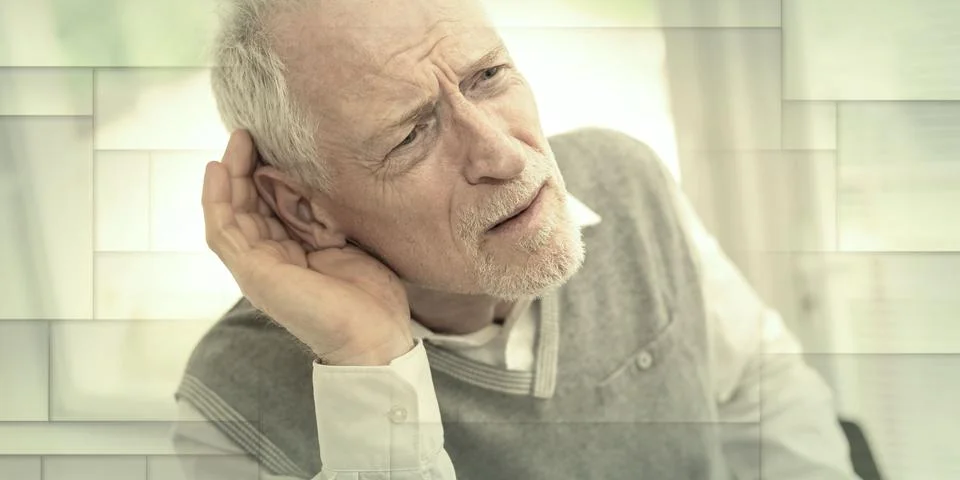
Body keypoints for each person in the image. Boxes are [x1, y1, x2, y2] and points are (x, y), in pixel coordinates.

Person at [173, 0, 861, 478]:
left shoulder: (625, 179)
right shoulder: (232, 406)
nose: (502, 154)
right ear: (305, 209)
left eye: (488, 76)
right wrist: (368, 360)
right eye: (412, 133)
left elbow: (762, 390)